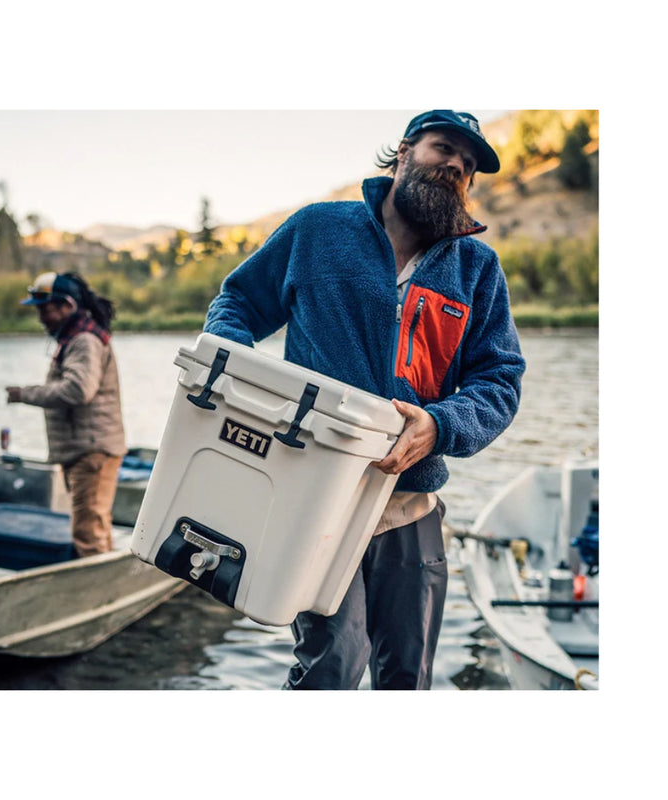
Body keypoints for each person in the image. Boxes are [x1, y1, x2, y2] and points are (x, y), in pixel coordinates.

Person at [203, 110, 526, 690]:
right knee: (334, 664)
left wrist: (441, 424)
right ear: (403, 152)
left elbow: (499, 377)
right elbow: (237, 304)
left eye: (469, 164)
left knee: (407, 675)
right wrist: (238, 380)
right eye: (443, 147)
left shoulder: (477, 268)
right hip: (313, 497)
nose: (456, 164)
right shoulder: (317, 231)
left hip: (412, 507)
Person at [6, 271, 127, 557]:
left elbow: (78, 390)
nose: (40, 317)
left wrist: (25, 394)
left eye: (44, 309)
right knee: (94, 525)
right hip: (87, 449)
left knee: (88, 533)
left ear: (67, 306)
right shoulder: (77, 338)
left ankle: (97, 595)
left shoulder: (83, 341)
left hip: (92, 451)